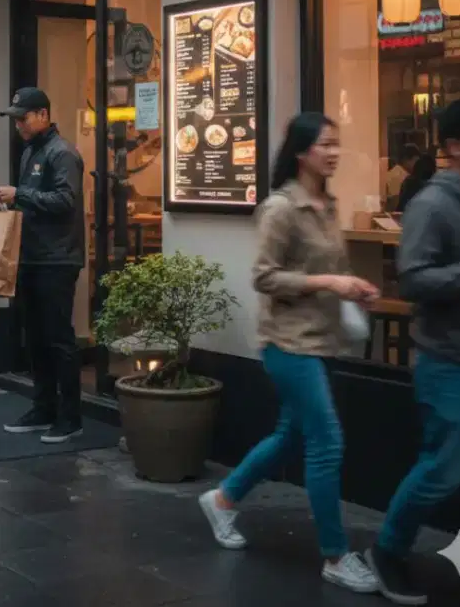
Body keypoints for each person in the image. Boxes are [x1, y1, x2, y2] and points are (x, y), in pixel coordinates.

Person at [198, 112, 381, 595]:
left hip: (322, 340)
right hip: (288, 343)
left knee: (288, 435)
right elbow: (264, 276)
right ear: (302, 152)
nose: (335, 152)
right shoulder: (282, 208)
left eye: (338, 144)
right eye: (326, 145)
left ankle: (223, 499)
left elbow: (327, 270)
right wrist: (330, 282)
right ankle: (336, 555)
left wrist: (352, 288)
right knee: (327, 443)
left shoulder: (327, 203)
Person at [366, 98, 460, 605]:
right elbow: (413, 280)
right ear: (454, 147)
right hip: (452, 365)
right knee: (441, 473)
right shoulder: (431, 204)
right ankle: (387, 550)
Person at [0, 87, 85, 444]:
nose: (19, 126)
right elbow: (32, 204)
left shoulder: (63, 153)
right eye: (15, 120)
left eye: (23, 118)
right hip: (30, 256)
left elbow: (65, 201)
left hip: (57, 259)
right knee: (36, 338)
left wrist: (20, 193)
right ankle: (43, 408)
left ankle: (71, 417)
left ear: (43, 114)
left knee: (59, 339)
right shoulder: (31, 152)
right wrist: (4, 200)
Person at [386, 144, 420, 210]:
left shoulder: (396, 172)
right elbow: (395, 203)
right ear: (406, 159)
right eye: (416, 161)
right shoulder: (399, 176)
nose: (418, 165)